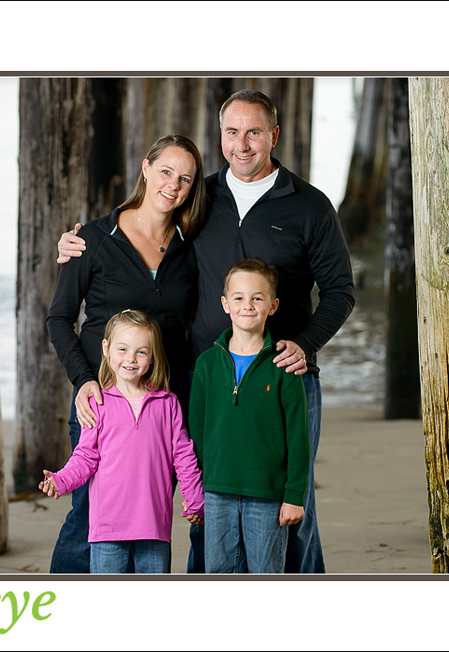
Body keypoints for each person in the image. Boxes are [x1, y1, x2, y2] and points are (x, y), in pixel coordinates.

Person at [58, 89, 355, 574]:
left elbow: (340, 291)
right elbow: (142, 223)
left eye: (254, 132)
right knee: (205, 498)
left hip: (282, 375)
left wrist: (304, 343)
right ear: (220, 136)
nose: (243, 144)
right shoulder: (201, 197)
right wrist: (80, 242)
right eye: (232, 132)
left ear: (274, 136)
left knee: (292, 505)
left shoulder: (309, 205)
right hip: (207, 379)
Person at [46, 134, 206, 573]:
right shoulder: (94, 238)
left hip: (162, 408)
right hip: (102, 403)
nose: (173, 185)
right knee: (87, 518)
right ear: (146, 168)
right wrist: (84, 380)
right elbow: (60, 319)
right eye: (166, 172)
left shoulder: (190, 247)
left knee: (150, 521)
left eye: (186, 179)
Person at [39, 310, 204, 574]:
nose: (130, 358)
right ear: (106, 348)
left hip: (153, 525)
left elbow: (183, 456)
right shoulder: (97, 404)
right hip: (107, 526)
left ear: (152, 357)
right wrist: (60, 480)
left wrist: (195, 499)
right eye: (123, 349)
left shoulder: (167, 403)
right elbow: (85, 457)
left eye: (141, 352)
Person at [189, 260, 309, 573]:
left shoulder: (284, 366)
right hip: (217, 493)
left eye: (257, 298)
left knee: (266, 573)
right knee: (218, 573)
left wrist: (295, 496)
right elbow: (196, 434)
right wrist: (194, 488)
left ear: (273, 306)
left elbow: (299, 437)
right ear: (225, 304)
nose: (248, 305)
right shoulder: (206, 364)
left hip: (267, 495)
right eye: (239, 298)